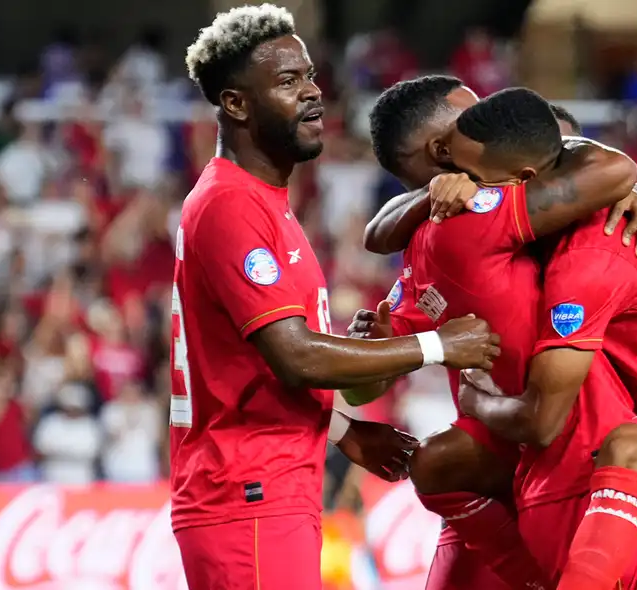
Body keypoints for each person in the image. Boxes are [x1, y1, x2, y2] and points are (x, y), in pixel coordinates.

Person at [172, 8, 501, 590]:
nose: (312, 93)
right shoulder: (230, 204)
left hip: (268, 489)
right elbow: (294, 356)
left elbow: (255, 371)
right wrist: (436, 346)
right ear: (236, 104)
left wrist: (346, 432)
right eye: (287, 81)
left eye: (310, 76)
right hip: (246, 494)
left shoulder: (263, 202)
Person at [352, 78, 637, 590]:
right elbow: (363, 386)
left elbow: (606, 166)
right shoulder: (447, 234)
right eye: (472, 115)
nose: (488, 119)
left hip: (583, 447)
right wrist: (387, 346)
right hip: (513, 466)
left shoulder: (506, 201)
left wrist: (633, 192)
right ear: (443, 149)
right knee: (439, 468)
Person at [452, 90, 637, 590]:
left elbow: (542, 421)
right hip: (635, 421)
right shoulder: (541, 231)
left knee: (627, 448)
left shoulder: (587, 259)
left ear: (525, 181)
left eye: (475, 179)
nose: (468, 190)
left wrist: (476, 403)